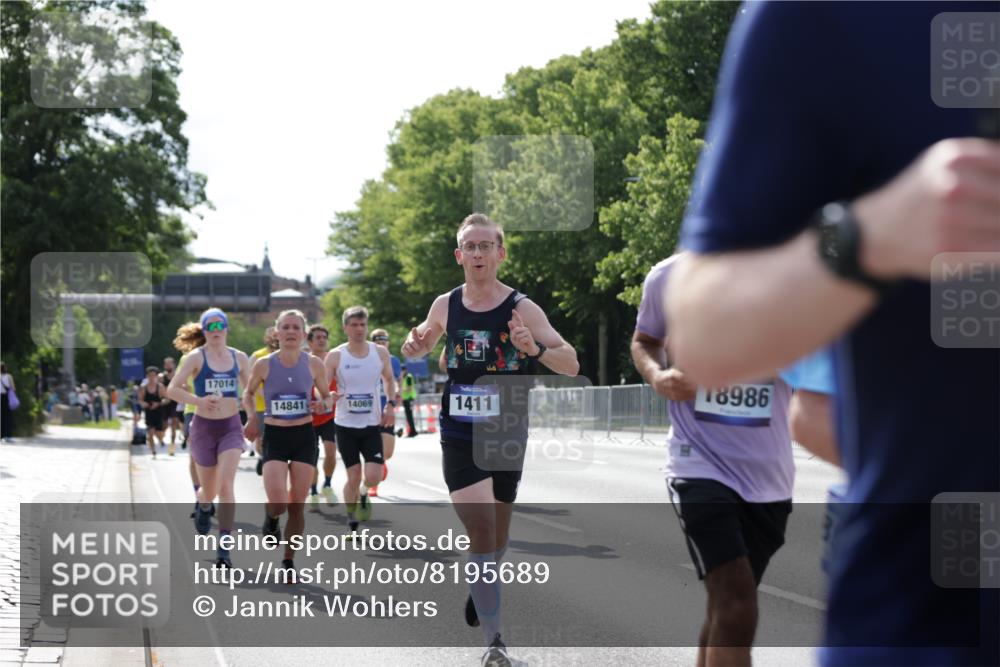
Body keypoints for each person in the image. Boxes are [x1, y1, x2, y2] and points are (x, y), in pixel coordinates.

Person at [665, 4, 999, 665]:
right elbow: (699, 335)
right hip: (932, 622)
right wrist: (869, 237)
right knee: (733, 603)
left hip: (782, 487)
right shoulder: (826, 17)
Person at [402, 213, 579, 666]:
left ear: (500, 253)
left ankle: (481, 586)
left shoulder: (523, 308)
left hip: (506, 427)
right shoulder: (445, 304)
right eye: (470, 246)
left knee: (497, 538)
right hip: (459, 427)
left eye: (487, 245)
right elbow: (423, 342)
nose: (478, 253)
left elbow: (571, 363)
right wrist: (416, 346)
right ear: (459, 255)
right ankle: (495, 644)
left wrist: (533, 349)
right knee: (480, 527)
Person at [632, 253, 794, 667]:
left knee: (726, 607)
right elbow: (645, 340)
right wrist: (659, 377)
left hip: (768, 473)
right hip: (697, 461)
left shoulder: (794, 272)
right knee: (737, 599)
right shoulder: (668, 276)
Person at [243, 310, 333, 575]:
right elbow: (247, 394)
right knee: (279, 502)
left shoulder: (314, 364)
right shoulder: (264, 364)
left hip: (304, 436)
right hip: (275, 437)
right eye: (286, 327)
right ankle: (271, 519)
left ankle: (288, 560)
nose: (291, 332)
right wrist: (251, 419)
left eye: (296, 327)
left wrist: (323, 403)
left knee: (296, 504)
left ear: (303, 334)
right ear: (277, 333)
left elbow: (327, 397)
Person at [167, 309, 250, 566]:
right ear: (204, 331)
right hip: (203, 428)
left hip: (231, 428)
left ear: (226, 329)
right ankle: (203, 504)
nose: (215, 332)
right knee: (210, 491)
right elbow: (172, 390)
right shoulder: (195, 358)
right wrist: (198, 400)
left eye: (220, 326)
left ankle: (224, 548)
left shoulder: (239, 357)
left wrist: (256, 413)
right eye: (210, 327)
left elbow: (251, 390)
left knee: (226, 486)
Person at [323, 307, 396, 533]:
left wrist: (390, 405)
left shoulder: (379, 353)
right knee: (352, 476)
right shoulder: (336, 355)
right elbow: (322, 388)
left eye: (363, 325)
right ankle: (351, 518)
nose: (359, 329)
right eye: (354, 325)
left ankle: (365, 493)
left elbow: (389, 380)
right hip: (345, 425)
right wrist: (328, 396)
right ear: (345, 327)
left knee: (373, 476)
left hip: (372, 424)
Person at [305, 324, 338, 507]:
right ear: (309, 341)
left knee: (331, 452)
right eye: (317, 337)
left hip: (329, 416)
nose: (322, 340)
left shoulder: (333, 360)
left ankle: (327, 484)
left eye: (324, 337)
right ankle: (314, 491)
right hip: (308, 418)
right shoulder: (303, 361)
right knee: (312, 458)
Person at [370, 328, 401, 495]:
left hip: (388, 410)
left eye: (384, 341)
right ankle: (373, 483)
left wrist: (399, 395)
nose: (381, 344)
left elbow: (397, 380)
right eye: (378, 341)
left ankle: (381, 462)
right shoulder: (366, 360)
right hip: (370, 411)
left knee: (387, 452)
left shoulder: (393, 360)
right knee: (373, 448)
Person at [249, 327, 279, 475]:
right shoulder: (257, 356)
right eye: (272, 336)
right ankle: (262, 457)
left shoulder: (285, 355)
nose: (274, 339)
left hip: (282, 406)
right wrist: (267, 396)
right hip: (262, 405)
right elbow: (251, 382)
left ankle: (274, 460)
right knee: (262, 437)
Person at [139, 368, 166, 457]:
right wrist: (144, 404)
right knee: (150, 433)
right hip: (149, 413)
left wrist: (158, 403)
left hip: (159, 413)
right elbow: (140, 400)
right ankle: (153, 451)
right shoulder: (143, 388)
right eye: (150, 375)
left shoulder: (160, 387)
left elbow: (167, 399)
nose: (151, 377)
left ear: (156, 377)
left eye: (153, 375)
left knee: (159, 433)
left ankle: (160, 439)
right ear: (147, 376)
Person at [160, 357, 181, 450]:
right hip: (165, 403)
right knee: (164, 425)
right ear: (164, 366)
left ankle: (171, 448)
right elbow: (159, 390)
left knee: (174, 424)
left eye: (170, 364)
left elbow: (181, 387)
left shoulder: (178, 375)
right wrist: (166, 396)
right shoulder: (161, 377)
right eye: (166, 364)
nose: (168, 366)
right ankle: (161, 438)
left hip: (175, 403)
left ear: (174, 365)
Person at [400, 363, 418, 437]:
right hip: (405, 399)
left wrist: (401, 389)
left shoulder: (408, 377)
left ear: (405, 370)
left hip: (409, 398)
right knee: (408, 416)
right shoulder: (403, 378)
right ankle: (412, 431)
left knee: (409, 416)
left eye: (402, 370)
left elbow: (410, 388)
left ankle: (413, 431)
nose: (401, 372)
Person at [0, 363, 15, 441]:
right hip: (6, 397)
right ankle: (7, 435)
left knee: (1, 416)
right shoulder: (9, 376)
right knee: (8, 417)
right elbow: (13, 388)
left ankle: (1, 435)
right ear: (5, 368)